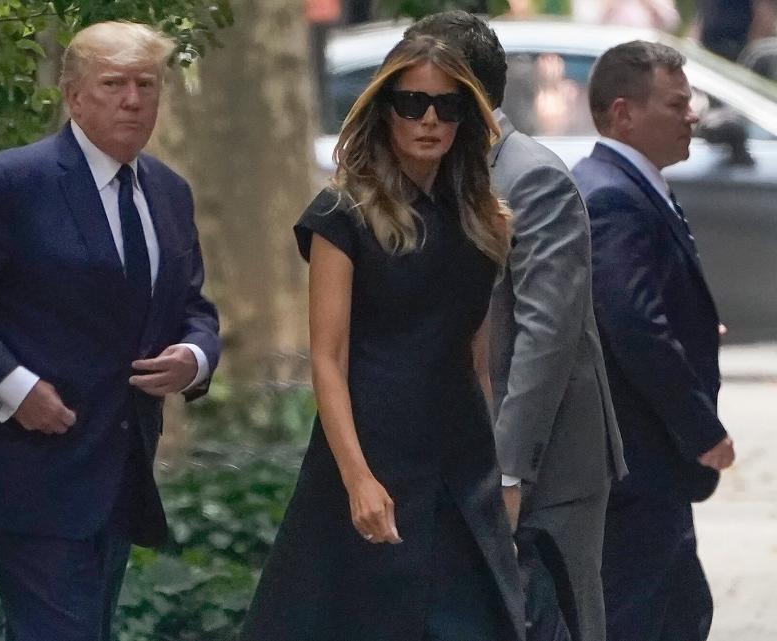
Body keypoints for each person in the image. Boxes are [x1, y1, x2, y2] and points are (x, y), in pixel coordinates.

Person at [0, 21, 221, 641]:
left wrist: (194, 356)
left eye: (146, 85)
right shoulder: (15, 182)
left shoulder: (167, 192)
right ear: (75, 97)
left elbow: (191, 305)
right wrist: (13, 388)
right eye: (114, 84)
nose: (133, 100)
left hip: (119, 467)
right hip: (27, 469)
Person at [238, 34, 525, 641]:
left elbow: (477, 359)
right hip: (373, 452)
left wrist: (497, 470)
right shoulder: (341, 215)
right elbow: (327, 358)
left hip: (461, 460)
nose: (429, 119)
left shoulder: (485, 221)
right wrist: (357, 478)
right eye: (411, 102)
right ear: (383, 109)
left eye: (448, 107)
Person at [405, 12, 627, 641]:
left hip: (545, 474)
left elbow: (544, 338)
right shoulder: (434, 176)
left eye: (433, 98)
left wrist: (507, 475)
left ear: (470, 97)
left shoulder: (532, 178)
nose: (420, 114)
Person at [572, 41, 736, 641]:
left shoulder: (625, 184)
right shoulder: (613, 195)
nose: (691, 116)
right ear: (624, 113)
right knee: (650, 614)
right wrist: (702, 429)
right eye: (676, 103)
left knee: (678, 607)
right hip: (638, 458)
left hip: (643, 461)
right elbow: (631, 323)